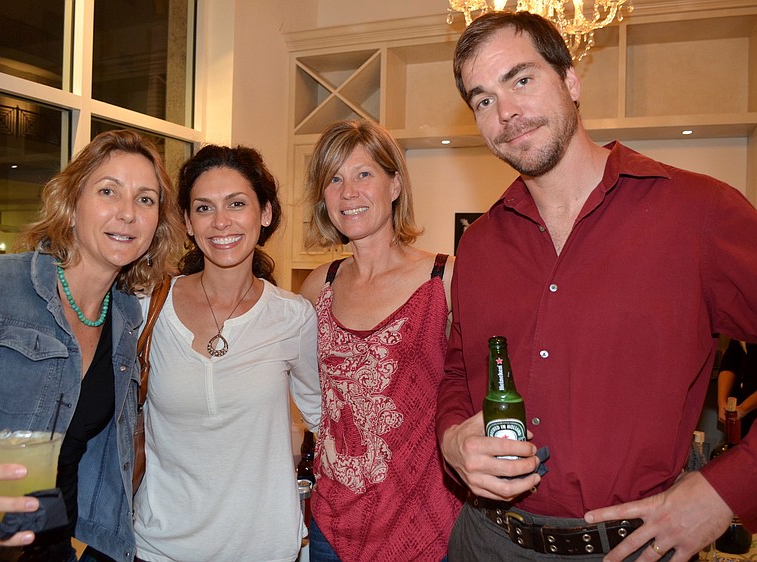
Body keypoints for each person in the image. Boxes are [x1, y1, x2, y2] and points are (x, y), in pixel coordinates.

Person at [436, 11, 757, 562]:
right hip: (484, 541)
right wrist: (451, 442)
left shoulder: (698, 214)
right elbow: (457, 377)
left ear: (571, 80)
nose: (506, 112)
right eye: (483, 99)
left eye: (521, 79)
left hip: (634, 548)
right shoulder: (481, 245)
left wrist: (726, 491)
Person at [0, 129, 184, 562]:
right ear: (71, 206)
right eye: (108, 191)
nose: (127, 213)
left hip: (53, 544)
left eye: (145, 199)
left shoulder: (128, 316)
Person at [132, 144, 321, 562]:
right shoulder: (148, 309)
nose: (221, 222)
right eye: (203, 208)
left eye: (237, 203)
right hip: (160, 547)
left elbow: (325, 420)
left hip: (266, 547)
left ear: (265, 213)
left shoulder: (293, 317)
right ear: (187, 221)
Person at [299, 119, 462, 562]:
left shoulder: (445, 279)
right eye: (334, 179)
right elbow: (295, 395)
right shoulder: (317, 288)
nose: (348, 192)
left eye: (363, 174)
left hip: (424, 525)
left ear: (394, 185)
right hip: (330, 526)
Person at [717, 340, 757, 436]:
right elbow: (731, 361)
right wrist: (722, 403)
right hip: (742, 409)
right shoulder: (745, 327)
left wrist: (743, 409)